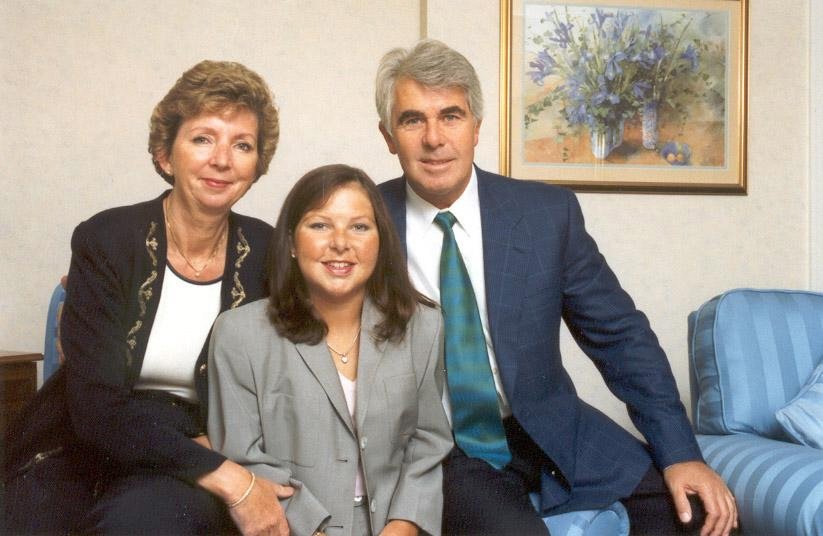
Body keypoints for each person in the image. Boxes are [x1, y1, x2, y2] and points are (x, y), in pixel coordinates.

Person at [375, 39, 739, 536]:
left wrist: (680, 454)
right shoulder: (360, 224)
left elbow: (620, 337)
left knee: (701, 521)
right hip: (441, 449)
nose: (434, 138)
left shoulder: (546, 215)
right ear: (388, 136)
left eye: (452, 116)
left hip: (549, 428)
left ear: (477, 128)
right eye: (413, 120)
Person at [3, 60, 294, 535]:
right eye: (203, 138)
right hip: (83, 443)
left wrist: (222, 461)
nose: (222, 159)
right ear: (165, 154)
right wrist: (229, 476)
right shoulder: (107, 239)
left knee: (142, 524)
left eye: (242, 145)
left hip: (191, 463)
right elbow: (95, 404)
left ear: (257, 165)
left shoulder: (270, 251)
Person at [208, 164, 453, 536]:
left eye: (359, 227)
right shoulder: (239, 334)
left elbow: (429, 442)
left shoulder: (423, 326)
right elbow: (243, 456)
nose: (341, 242)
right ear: (291, 242)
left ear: (380, 241)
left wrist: (402, 526)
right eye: (320, 225)